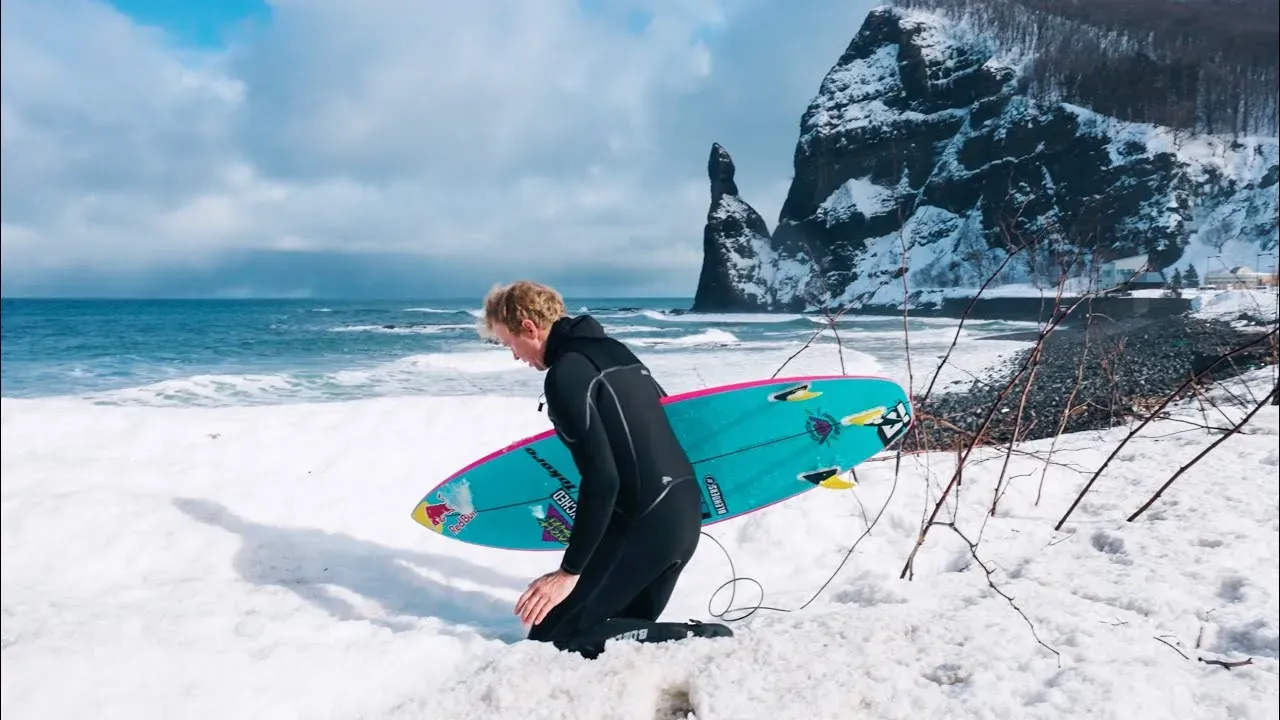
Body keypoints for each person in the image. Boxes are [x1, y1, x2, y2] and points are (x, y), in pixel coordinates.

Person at [478, 280, 733, 658]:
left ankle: (700, 640)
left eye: (509, 343)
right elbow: (667, 423)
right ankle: (675, 643)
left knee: (558, 644)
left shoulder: (565, 376)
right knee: (603, 633)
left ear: (529, 328)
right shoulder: (618, 353)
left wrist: (568, 572)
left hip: (643, 524)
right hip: (681, 516)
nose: (515, 356)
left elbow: (602, 480)